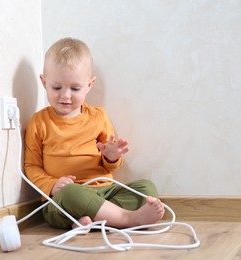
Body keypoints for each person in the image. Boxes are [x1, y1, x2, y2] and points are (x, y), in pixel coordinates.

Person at [24, 37, 165, 229]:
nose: (65, 95)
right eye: (57, 87)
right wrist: (51, 185)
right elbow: (31, 166)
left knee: (146, 188)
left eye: (75, 88)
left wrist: (112, 156)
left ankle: (92, 221)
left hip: (104, 191)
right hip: (65, 197)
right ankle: (127, 219)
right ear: (44, 82)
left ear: (89, 85)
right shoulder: (38, 122)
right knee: (70, 194)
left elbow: (112, 163)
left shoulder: (98, 117)